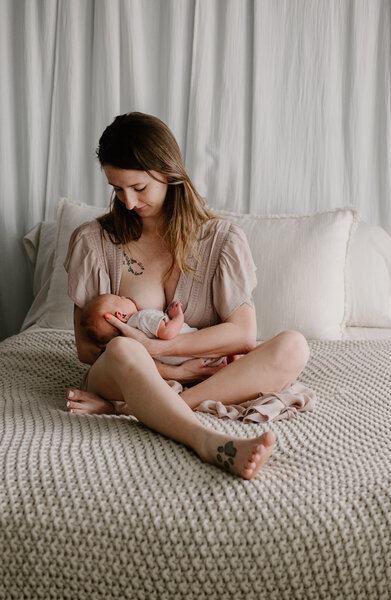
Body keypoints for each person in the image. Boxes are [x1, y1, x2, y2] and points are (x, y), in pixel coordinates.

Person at [64, 112, 310, 479]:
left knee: (294, 346)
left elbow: (242, 334)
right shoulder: (94, 242)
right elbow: (87, 349)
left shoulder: (222, 241)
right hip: (122, 372)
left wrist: (161, 350)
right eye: (117, 189)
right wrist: (160, 367)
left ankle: (147, 408)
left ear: (168, 172)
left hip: (202, 377)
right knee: (122, 348)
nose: (128, 202)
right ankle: (207, 441)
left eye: (139, 187)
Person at [80, 292, 230, 366]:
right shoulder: (141, 317)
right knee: (227, 341)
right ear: (121, 315)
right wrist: (178, 317)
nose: (125, 296)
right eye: (120, 298)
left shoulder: (129, 342)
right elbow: (167, 332)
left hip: (190, 363)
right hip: (200, 348)